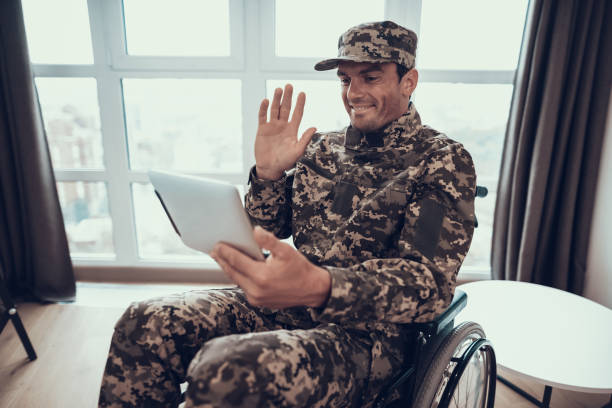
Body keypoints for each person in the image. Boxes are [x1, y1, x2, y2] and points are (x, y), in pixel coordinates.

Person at [99, 20, 476, 408]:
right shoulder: (320, 148)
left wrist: (320, 285)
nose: (353, 92)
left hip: (366, 340)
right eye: (345, 80)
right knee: (146, 321)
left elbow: (427, 285)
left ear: (408, 81)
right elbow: (268, 228)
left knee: (226, 370)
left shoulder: (442, 160)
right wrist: (268, 174)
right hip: (285, 305)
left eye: (371, 77)